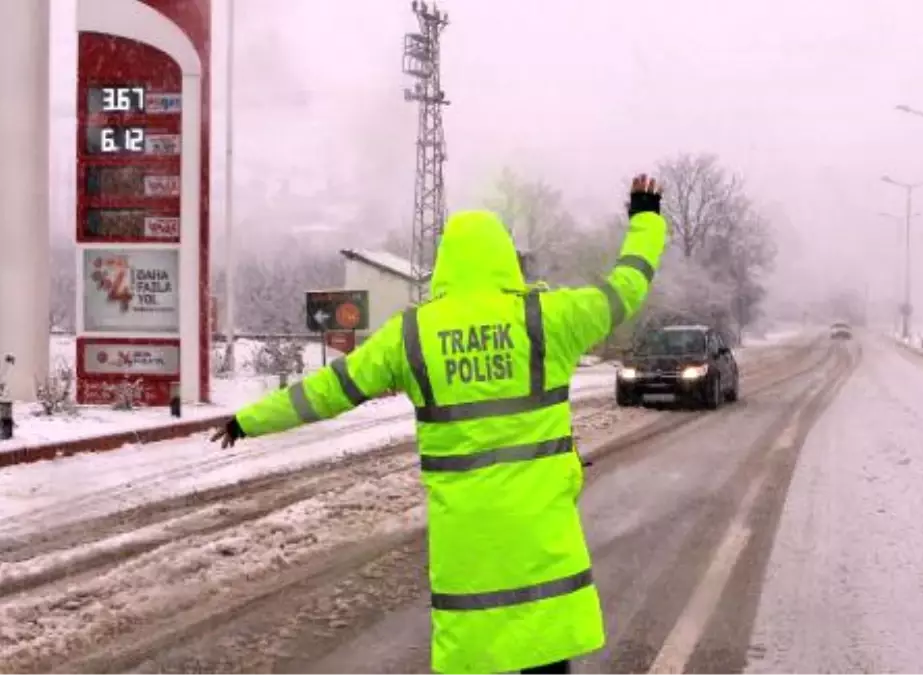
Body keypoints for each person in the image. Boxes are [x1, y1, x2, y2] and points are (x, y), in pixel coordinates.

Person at [210, 174, 666, 673]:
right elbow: (627, 286)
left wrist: (248, 421)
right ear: (506, 261)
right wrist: (644, 215)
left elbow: (327, 391)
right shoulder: (548, 318)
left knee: (475, 650)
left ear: (446, 264)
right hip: (541, 537)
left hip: (465, 544)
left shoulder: (412, 335)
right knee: (544, 647)